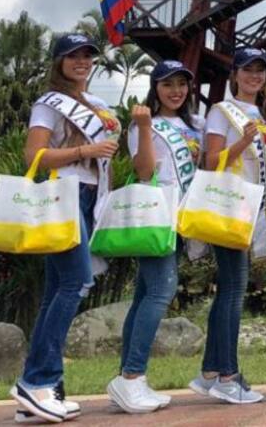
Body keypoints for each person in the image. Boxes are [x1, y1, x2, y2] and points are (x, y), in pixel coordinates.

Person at [11, 33, 120, 424]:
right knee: (76, 281)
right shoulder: (49, 103)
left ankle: (41, 392)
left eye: (87, 55)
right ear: (57, 61)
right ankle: (37, 380)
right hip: (64, 195)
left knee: (58, 289)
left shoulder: (99, 105)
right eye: (72, 56)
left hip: (90, 196)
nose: (81, 62)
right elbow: (34, 156)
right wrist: (84, 151)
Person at [108, 60, 203, 413]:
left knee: (145, 294)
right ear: (155, 87)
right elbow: (144, 171)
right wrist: (145, 126)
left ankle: (129, 379)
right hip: (156, 214)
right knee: (161, 291)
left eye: (181, 84)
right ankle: (131, 377)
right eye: (168, 84)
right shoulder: (142, 123)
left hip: (183, 217)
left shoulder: (196, 124)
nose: (176, 91)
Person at [192, 47, 266, 405]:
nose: (254, 76)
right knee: (232, 291)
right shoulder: (220, 112)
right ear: (235, 76)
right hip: (228, 205)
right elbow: (212, 161)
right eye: (247, 70)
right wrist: (244, 141)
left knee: (231, 289)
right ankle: (228, 376)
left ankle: (210, 372)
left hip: (252, 207)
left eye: (260, 71)